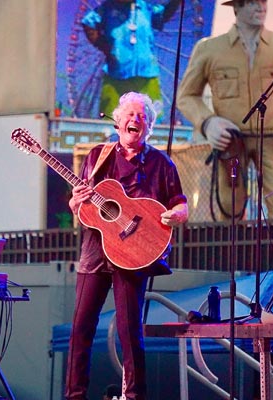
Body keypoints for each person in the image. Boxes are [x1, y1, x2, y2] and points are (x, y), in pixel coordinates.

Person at [64, 92, 188, 400]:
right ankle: (74, 395)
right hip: (95, 252)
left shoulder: (162, 163)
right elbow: (80, 208)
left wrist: (176, 215)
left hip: (134, 254)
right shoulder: (97, 156)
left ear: (148, 128)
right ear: (118, 121)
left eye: (142, 116)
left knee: (130, 333)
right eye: (130, 114)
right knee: (81, 329)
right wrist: (75, 201)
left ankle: (134, 396)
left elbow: (181, 205)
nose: (136, 119)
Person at [176, 0, 273, 220]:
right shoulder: (209, 49)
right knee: (229, 206)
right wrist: (208, 122)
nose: (261, 7)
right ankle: (231, 255)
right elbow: (186, 96)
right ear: (236, 7)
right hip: (230, 142)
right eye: (251, 2)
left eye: (263, 2)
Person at [81, 0, 181, 120]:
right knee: (111, 123)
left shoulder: (145, 8)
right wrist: (103, 45)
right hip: (116, 75)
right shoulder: (107, 9)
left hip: (147, 74)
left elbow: (163, 15)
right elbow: (88, 22)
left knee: (150, 123)